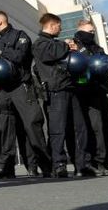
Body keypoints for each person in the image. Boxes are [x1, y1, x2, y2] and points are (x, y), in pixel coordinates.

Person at [0, 11, 51, 179]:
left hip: (21, 86)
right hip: (3, 90)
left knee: (31, 125)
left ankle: (43, 165)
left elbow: (21, 56)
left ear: (0, 22)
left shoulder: (19, 36)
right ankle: (7, 168)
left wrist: (1, 53)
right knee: (6, 128)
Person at [33, 13, 96, 178]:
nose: (60, 29)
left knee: (79, 128)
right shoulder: (40, 43)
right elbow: (51, 54)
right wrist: (67, 45)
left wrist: (72, 48)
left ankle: (82, 165)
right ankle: (58, 165)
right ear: (53, 25)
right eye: (59, 26)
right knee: (58, 130)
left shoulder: (56, 43)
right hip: (55, 91)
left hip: (70, 88)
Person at [72, 19, 108, 176]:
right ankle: (95, 162)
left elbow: (106, 65)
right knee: (96, 128)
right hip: (87, 93)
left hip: (101, 91)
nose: (92, 34)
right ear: (80, 30)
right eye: (89, 31)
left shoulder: (97, 48)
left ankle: (105, 161)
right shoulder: (74, 46)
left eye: (93, 32)